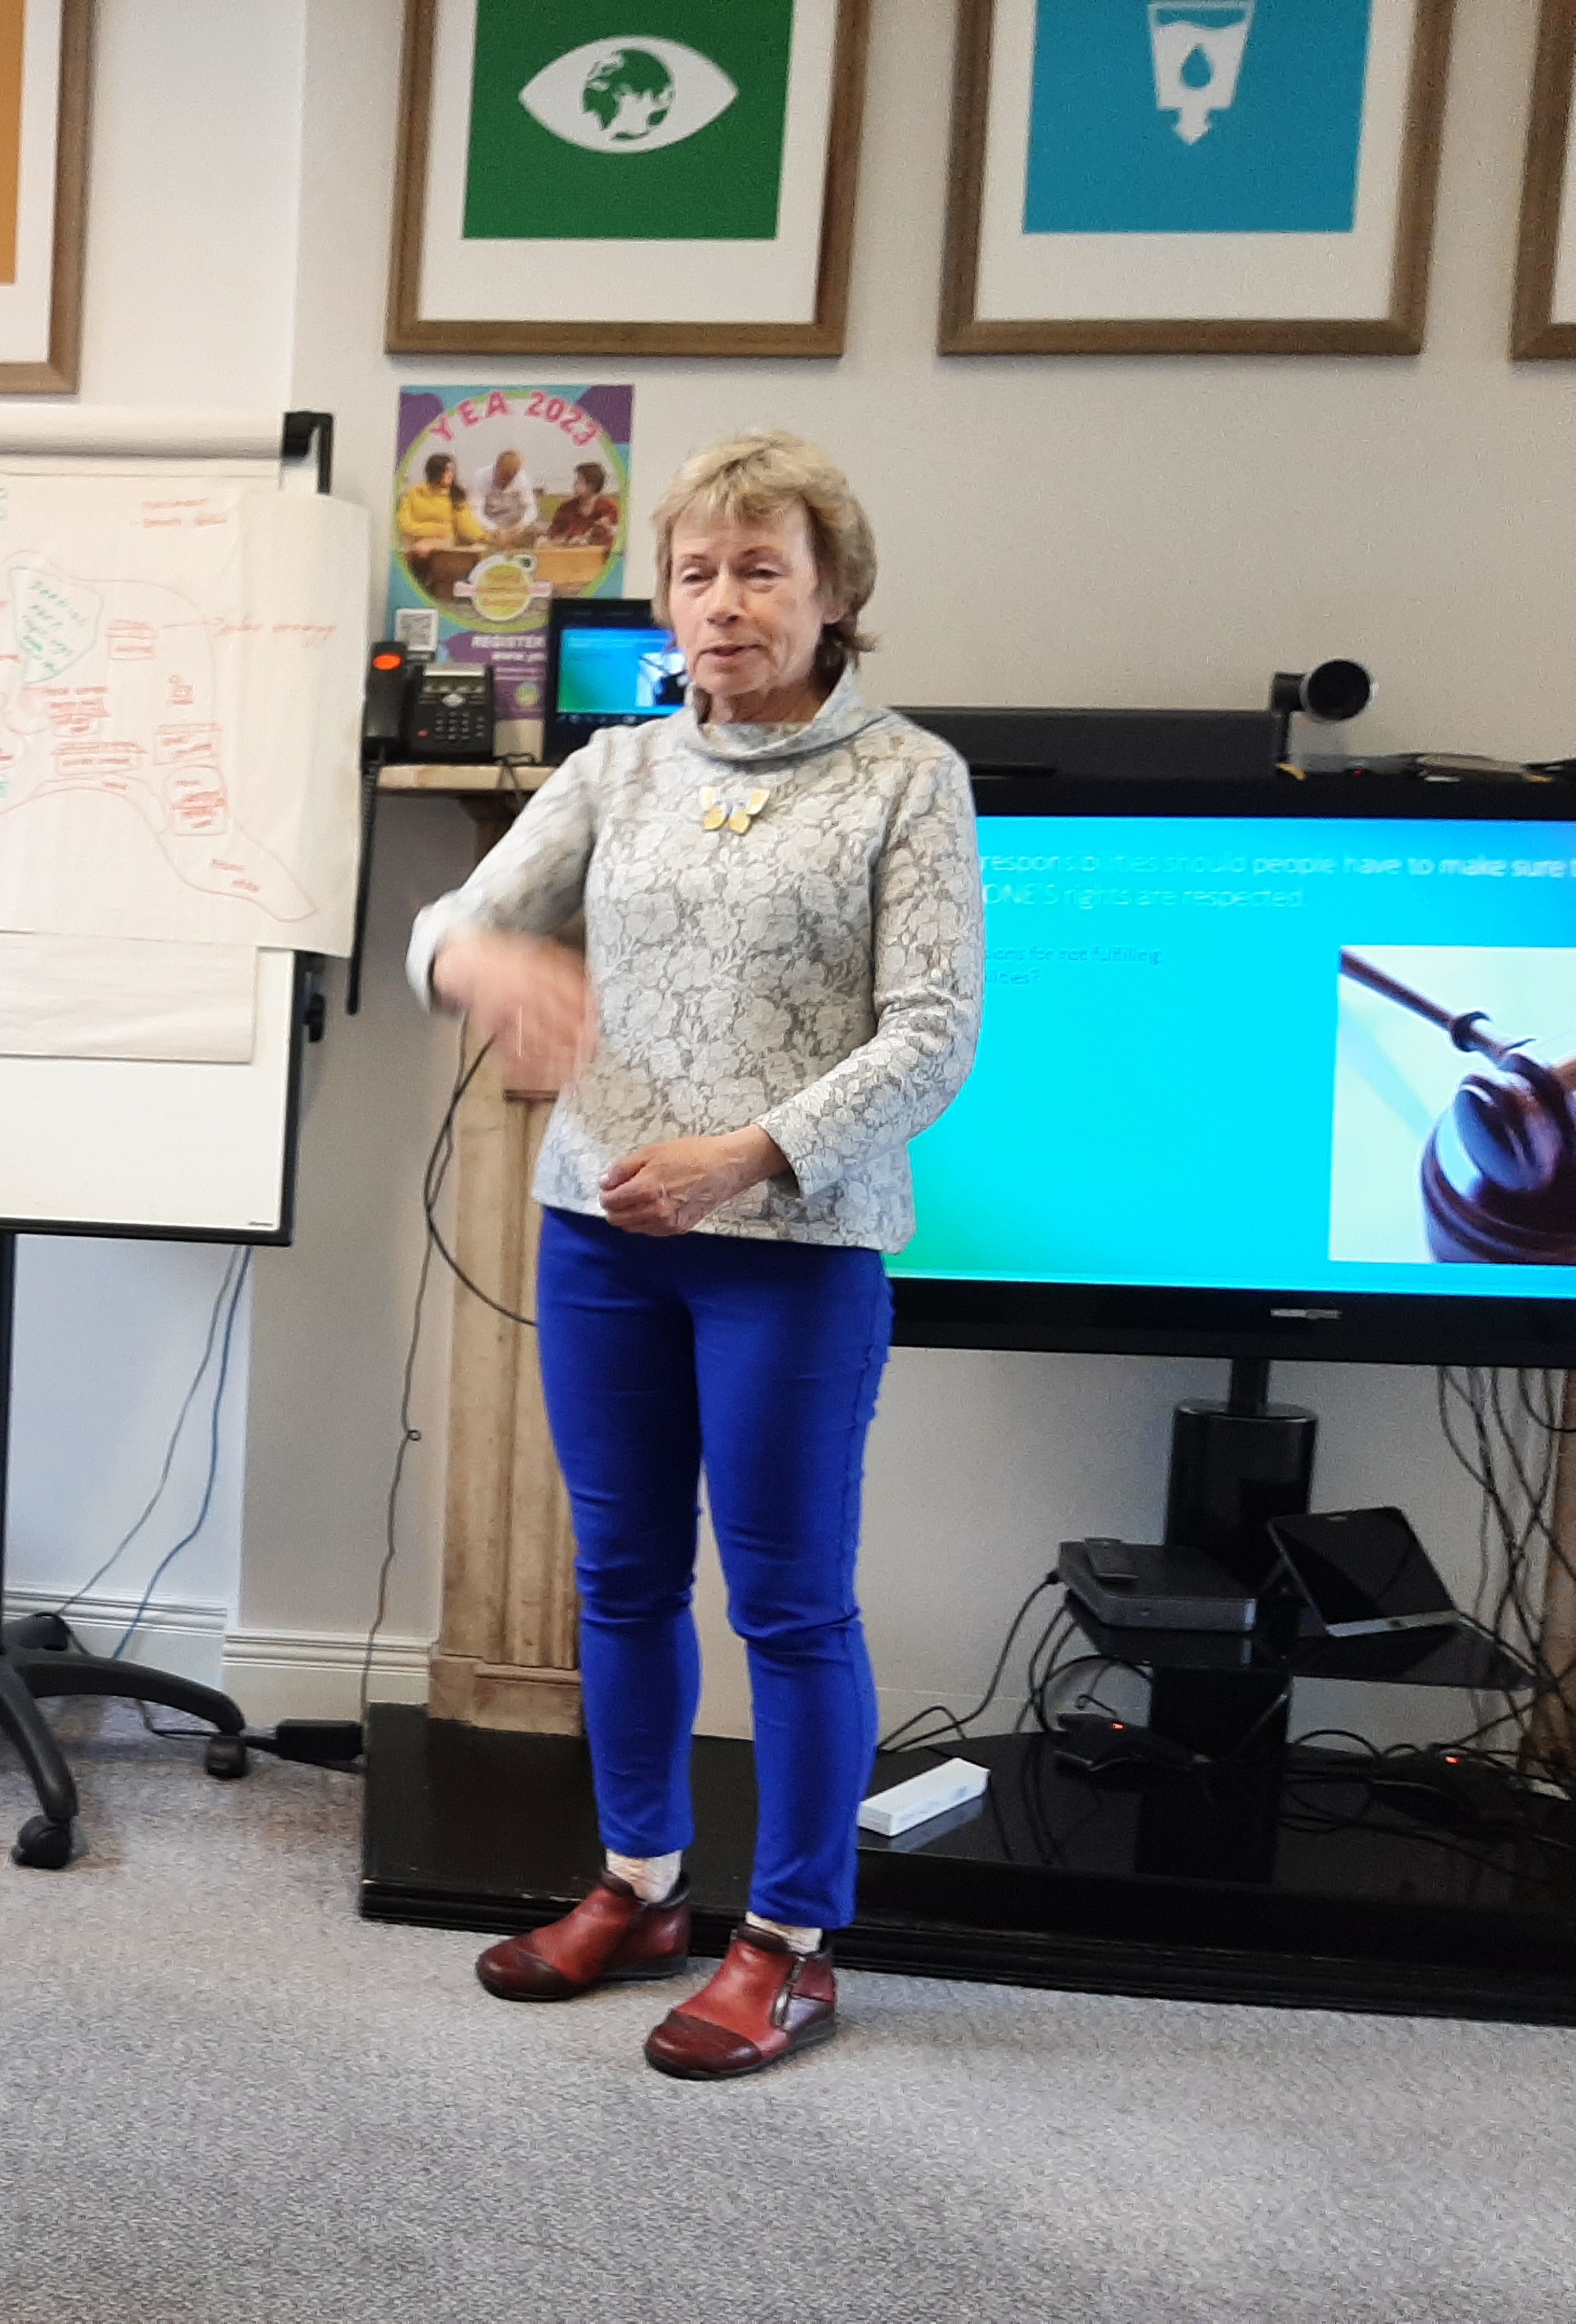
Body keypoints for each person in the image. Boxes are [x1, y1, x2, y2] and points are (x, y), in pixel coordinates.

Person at [410, 432, 980, 2080]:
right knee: (623, 1578)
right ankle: (642, 1885)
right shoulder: (617, 771)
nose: (722, 603)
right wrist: (483, 968)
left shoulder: (907, 780)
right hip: (603, 1240)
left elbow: (934, 1037)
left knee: (789, 1604)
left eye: (760, 570)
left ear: (835, 593)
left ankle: (790, 1942)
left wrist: (742, 1153)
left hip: (791, 1246)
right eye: (696, 573)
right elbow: (447, 925)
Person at [542, 459, 621, 549]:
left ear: (592, 485)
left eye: (579, 481)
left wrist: (586, 539)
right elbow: (554, 533)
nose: (574, 484)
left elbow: (606, 536)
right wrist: (566, 541)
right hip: (568, 552)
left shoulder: (608, 508)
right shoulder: (566, 508)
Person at [476, 447, 537, 546]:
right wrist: (494, 529)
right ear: (496, 468)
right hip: (489, 521)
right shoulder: (480, 477)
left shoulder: (523, 480)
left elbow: (531, 508)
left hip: (515, 523)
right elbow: (476, 510)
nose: (505, 484)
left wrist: (521, 526)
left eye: (510, 480)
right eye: (502, 479)